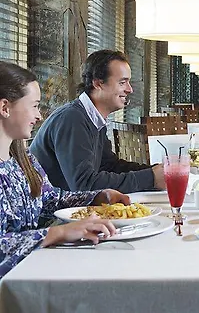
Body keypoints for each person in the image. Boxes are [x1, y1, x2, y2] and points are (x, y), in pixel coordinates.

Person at [0, 61, 129, 278]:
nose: (39, 116)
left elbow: (50, 200)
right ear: (5, 108)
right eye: (34, 106)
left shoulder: (23, 158)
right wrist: (57, 233)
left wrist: (98, 196)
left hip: (33, 272)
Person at [30, 50, 165, 193]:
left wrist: (156, 171)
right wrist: (150, 178)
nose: (130, 89)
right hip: (48, 207)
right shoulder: (72, 119)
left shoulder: (93, 118)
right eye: (122, 82)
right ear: (98, 83)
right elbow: (84, 185)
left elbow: (108, 166)